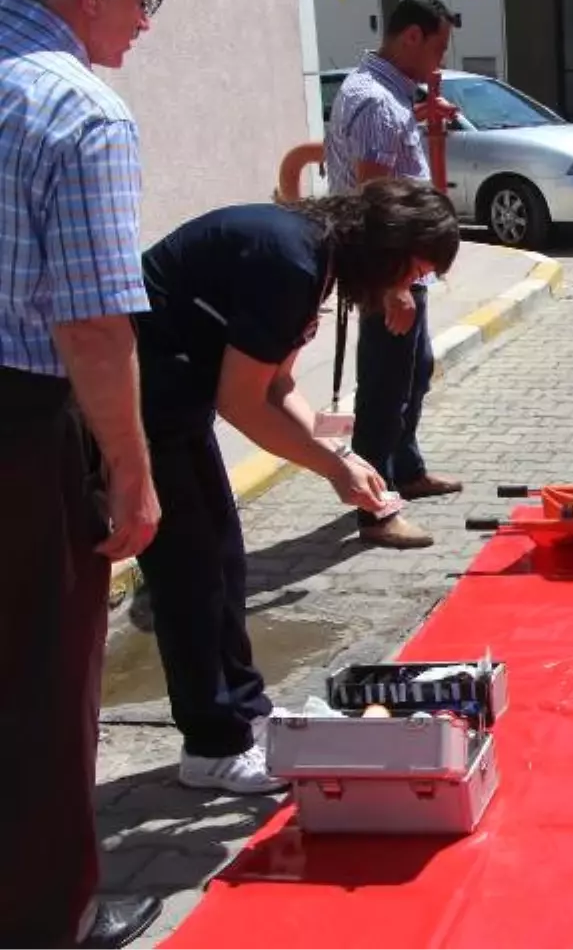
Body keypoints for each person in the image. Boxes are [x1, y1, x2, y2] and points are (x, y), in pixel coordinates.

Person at [133, 178, 460, 795]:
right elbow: (242, 402)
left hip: (177, 403)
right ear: (387, 248)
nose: (410, 288)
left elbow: (279, 385)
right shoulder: (289, 261)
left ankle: (245, 715)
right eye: (414, 271)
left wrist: (340, 452)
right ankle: (212, 745)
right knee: (190, 576)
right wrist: (333, 470)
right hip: (143, 406)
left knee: (225, 563)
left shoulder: (314, 258)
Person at [0, 0, 166, 946]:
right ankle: (44, 918)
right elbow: (94, 325)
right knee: (43, 681)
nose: (146, 23)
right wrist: (133, 474)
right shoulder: (77, 108)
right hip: (20, 426)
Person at [324, 0, 463, 549]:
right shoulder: (377, 103)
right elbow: (375, 200)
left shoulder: (379, 94)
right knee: (384, 387)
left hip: (406, 266)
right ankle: (376, 507)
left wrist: (419, 119)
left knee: (414, 370)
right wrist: (393, 285)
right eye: (437, 48)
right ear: (410, 37)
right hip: (391, 267)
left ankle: (404, 469)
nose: (440, 62)